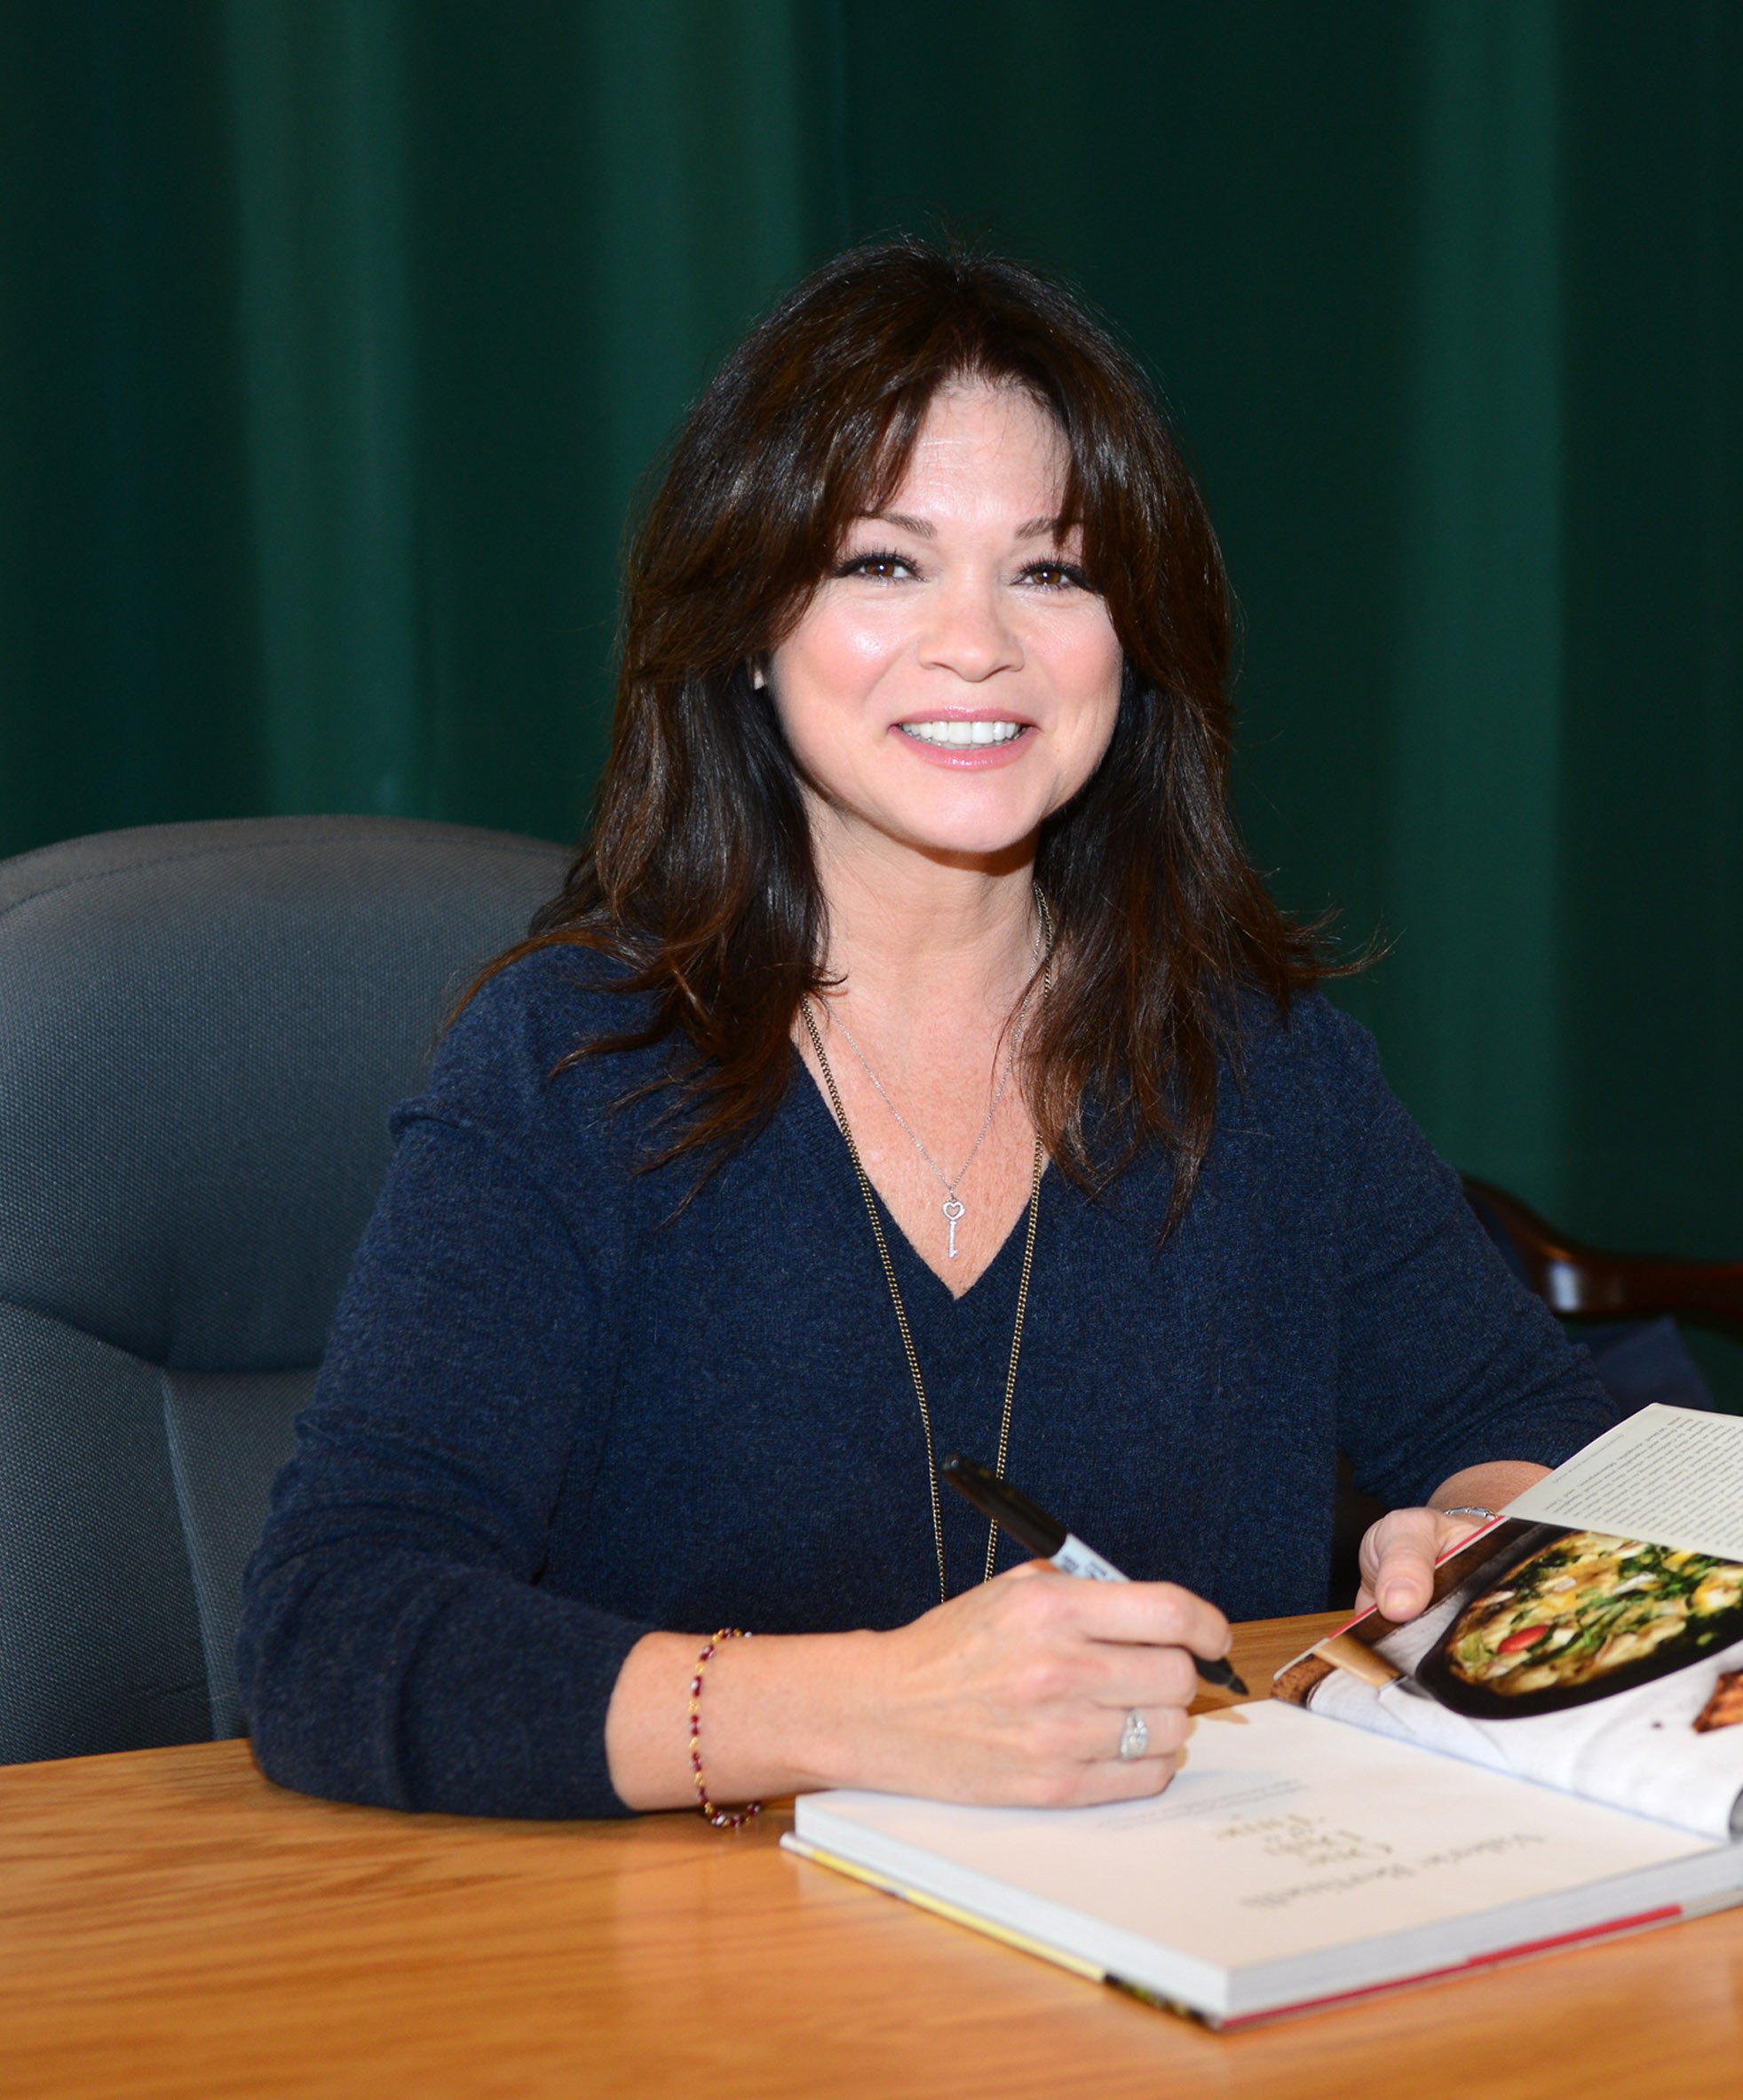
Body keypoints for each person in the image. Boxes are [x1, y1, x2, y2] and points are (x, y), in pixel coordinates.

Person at [238, 242, 1621, 1821]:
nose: (979, 642)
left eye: (1054, 569)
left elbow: (1531, 1426)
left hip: (1179, 1981)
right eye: (884, 563)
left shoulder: (1258, 1060)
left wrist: (1485, 1532)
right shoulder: (571, 1065)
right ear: (752, 618)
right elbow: (332, 1625)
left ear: (1134, 639)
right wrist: (867, 1707)